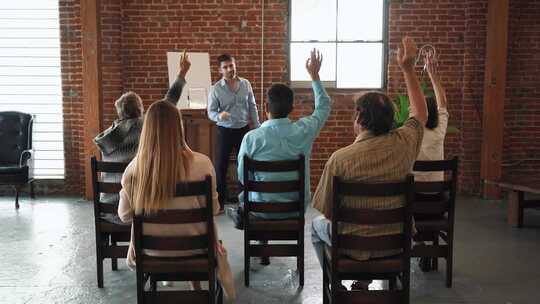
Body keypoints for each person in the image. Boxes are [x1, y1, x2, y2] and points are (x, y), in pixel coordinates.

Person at [310, 36, 427, 290]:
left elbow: (326, 210)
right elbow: (421, 113)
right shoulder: (405, 143)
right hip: (397, 242)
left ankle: (336, 286)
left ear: (359, 117)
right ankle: (363, 281)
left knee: (315, 227)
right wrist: (408, 68)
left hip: (352, 246)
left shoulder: (339, 159)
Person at [232, 49, 330, 265]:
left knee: (250, 192)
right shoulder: (305, 130)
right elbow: (324, 107)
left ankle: (262, 242)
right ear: (292, 108)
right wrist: (314, 75)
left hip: (260, 211)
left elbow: (241, 176)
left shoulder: (251, 138)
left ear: (266, 108)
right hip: (294, 207)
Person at [117, 100, 226, 291]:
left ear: (147, 130)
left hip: (150, 252)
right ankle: (198, 289)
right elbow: (215, 210)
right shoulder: (203, 164)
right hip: (197, 250)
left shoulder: (134, 169)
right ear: (179, 127)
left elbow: (125, 216)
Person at [93, 52, 191, 224]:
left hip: (108, 210)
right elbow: (169, 102)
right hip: (139, 210)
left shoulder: (107, 137)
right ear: (141, 109)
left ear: (119, 113)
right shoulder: (147, 126)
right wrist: (182, 74)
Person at [207, 54, 261, 211]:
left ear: (235, 65)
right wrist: (219, 116)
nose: (229, 69)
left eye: (231, 65)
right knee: (221, 166)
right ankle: (220, 204)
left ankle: (244, 202)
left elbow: (252, 106)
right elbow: (210, 112)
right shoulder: (216, 89)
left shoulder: (245, 84)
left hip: (243, 130)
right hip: (224, 130)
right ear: (220, 70)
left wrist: (257, 127)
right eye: (225, 67)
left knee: (244, 165)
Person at [414, 53, 450, 272]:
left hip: (412, 208)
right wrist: (432, 73)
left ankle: (417, 243)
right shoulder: (439, 131)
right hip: (437, 206)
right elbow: (442, 102)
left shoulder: (410, 134)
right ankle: (429, 249)